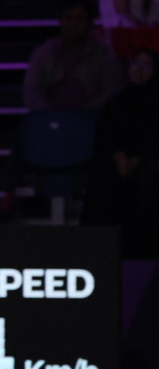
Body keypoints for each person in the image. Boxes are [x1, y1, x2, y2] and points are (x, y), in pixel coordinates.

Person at [81, 48, 159, 258]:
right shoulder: (116, 102)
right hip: (118, 163)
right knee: (102, 175)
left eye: (147, 65)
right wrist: (117, 155)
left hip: (149, 162)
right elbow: (106, 136)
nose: (139, 70)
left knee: (149, 174)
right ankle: (98, 252)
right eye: (136, 64)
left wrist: (138, 159)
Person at [22, 0, 123, 112]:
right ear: (60, 21)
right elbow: (31, 90)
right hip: (49, 121)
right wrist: (51, 115)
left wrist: (84, 115)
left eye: (79, 19)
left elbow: (112, 92)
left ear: (90, 23)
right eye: (68, 18)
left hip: (91, 121)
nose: (73, 24)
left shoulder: (104, 56)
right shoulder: (45, 52)